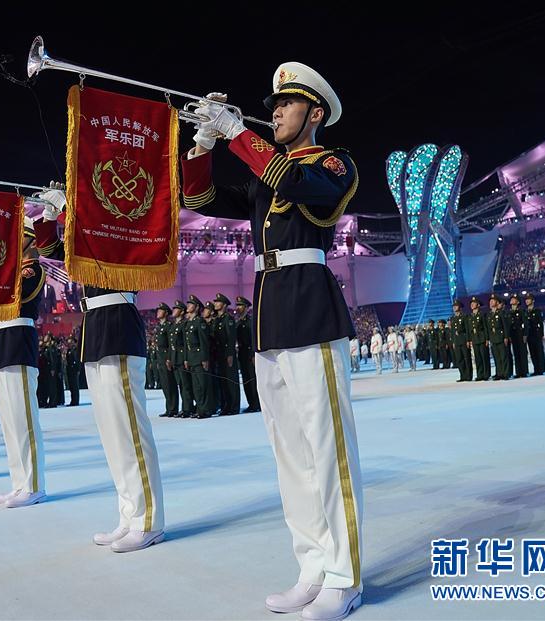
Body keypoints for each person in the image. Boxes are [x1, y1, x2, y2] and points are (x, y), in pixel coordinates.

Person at [180, 61, 362, 619]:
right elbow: (200, 200)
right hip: (270, 313)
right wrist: (203, 145)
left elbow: (300, 186)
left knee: (328, 450)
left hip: (310, 307)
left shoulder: (333, 164)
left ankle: (344, 575)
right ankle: (312, 565)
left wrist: (239, 133)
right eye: (275, 105)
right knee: (291, 455)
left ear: (315, 113)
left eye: (287, 104)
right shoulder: (267, 171)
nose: (277, 111)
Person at [36, 184, 165, 553]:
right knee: (112, 432)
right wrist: (48, 218)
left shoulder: (122, 225)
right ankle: (129, 514)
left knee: (129, 430)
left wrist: (69, 211)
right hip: (96, 325)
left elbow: (94, 241)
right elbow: (56, 250)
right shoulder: (90, 231)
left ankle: (148, 520)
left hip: (118, 321)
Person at [0, 217, 47, 508]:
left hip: (19, 336)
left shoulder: (32, 270)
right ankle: (19, 483)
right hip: (3, 339)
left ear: (29, 240)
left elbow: (17, 295)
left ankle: (33, 485)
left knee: (23, 418)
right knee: (9, 420)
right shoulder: (12, 270)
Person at [212, 293, 241, 416]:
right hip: (219, 354)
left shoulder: (228, 319)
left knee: (231, 381)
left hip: (227, 354)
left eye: (218, 302)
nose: (215, 304)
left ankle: (234, 407)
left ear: (224, 305)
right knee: (223, 381)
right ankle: (226, 406)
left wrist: (230, 355)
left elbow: (231, 338)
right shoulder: (217, 320)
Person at [153, 302, 179, 418]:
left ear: (166, 313)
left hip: (166, 358)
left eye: (160, 310)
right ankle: (169, 408)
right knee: (165, 385)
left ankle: (173, 408)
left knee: (170, 384)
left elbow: (170, 344)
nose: (158, 312)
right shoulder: (159, 326)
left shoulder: (169, 326)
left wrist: (169, 358)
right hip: (160, 358)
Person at [235, 296, 260, 411]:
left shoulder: (250, 321)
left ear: (246, 307)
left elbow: (253, 339)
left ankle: (256, 404)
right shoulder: (239, 322)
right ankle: (251, 403)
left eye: (240, 305)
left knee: (252, 379)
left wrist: (253, 355)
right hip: (242, 354)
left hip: (250, 354)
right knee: (246, 380)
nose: (238, 307)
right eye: (237, 305)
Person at [169, 300, 194, 418]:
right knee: (181, 385)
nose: (174, 310)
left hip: (182, 357)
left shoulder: (184, 324)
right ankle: (184, 408)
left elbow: (185, 343)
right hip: (175, 358)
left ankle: (188, 408)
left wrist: (185, 359)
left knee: (186, 385)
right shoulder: (174, 325)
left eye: (176, 308)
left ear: (182, 311)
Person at [487, 294, 511, 380]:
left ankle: (506, 373)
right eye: (490, 301)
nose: (491, 302)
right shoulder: (489, 314)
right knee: (496, 357)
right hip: (493, 338)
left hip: (501, 337)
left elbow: (505, 326)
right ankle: (499, 373)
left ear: (497, 302)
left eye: (493, 301)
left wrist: (506, 337)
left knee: (503, 356)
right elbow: (488, 328)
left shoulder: (501, 313)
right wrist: (489, 338)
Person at [468, 297, 491, 381]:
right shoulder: (471, 316)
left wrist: (487, 338)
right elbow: (470, 329)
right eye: (471, 303)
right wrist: (470, 339)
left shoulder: (482, 315)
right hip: (475, 339)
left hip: (482, 338)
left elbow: (485, 327)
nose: (472, 305)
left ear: (478, 305)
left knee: (484, 357)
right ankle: (480, 374)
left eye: (473, 303)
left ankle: (486, 374)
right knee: (477, 358)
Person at [449, 301, 472, 382]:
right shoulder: (453, 318)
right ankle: (462, 375)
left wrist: (468, 340)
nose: (454, 307)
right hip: (457, 341)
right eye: (453, 306)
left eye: (456, 306)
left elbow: (467, 329)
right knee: (459, 359)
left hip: (464, 339)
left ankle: (469, 375)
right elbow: (452, 331)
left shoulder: (464, 316)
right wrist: (453, 341)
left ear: (460, 307)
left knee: (466, 358)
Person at [507, 295, 529, 378]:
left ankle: (524, 371)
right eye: (511, 299)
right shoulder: (509, 312)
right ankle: (518, 372)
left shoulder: (521, 311)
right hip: (513, 334)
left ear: (518, 302)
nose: (512, 300)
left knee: (522, 352)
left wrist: (525, 334)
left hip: (520, 334)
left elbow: (526, 323)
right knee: (516, 353)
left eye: (514, 299)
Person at [524, 293, 545, 375]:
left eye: (528, 299)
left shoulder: (537, 311)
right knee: (532, 352)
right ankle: (536, 369)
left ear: (533, 300)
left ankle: (541, 369)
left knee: (539, 352)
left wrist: (541, 334)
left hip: (536, 333)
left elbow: (541, 323)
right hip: (529, 334)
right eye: (526, 299)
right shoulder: (525, 311)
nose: (527, 301)